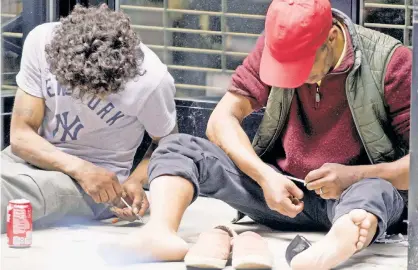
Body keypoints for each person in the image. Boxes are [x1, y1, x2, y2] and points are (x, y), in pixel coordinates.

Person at [120, 0, 412, 269]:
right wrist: (264, 175)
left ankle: (333, 247)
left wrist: (354, 176)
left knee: (377, 191)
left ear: (331, 38)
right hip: (276, 193)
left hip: (352, 196)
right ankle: (159, 231)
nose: (292, 77)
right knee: (178, 147)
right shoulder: (274, 48)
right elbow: (221, 120)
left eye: (301, 66)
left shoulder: (392, 63)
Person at [1, 4, 177, 233]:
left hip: (95, 185)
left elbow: (169, 145)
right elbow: (21, 135)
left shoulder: (152, 80)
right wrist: (79, 168)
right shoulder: (42, 41)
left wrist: (134, 181)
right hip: (34, 158)